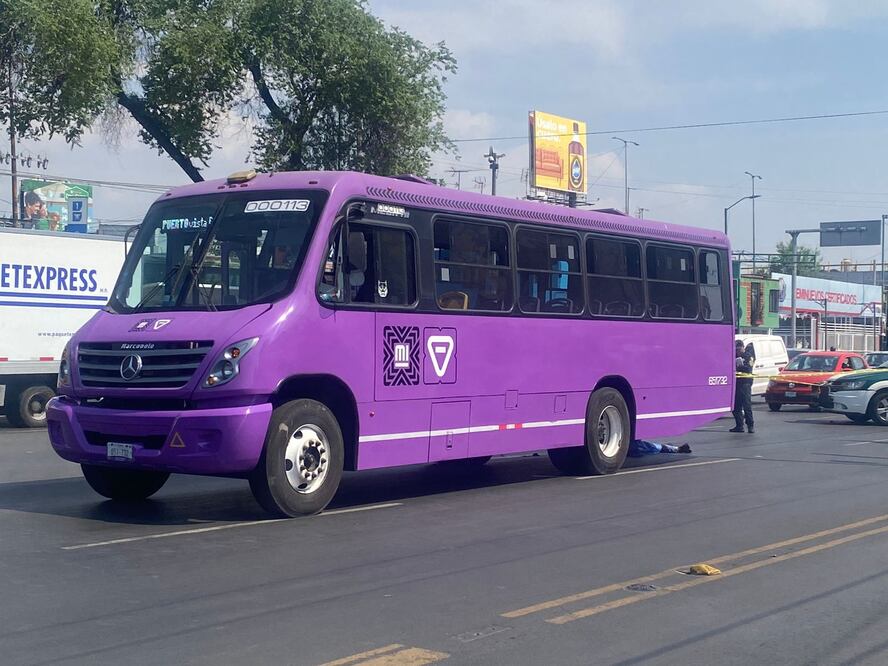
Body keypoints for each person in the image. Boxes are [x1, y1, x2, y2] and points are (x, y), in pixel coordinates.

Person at [731, 340, 755, 434]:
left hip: (745, 383)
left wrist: (738, 366)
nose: (737, 351)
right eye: (735, 349)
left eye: (738, 349)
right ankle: (739, 425)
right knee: (736, 406)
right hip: (736, 383)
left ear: (742, 347)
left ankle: (750, 425)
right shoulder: (734, 356)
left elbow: (748, 368)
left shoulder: (748, 356)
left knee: (746, 405)